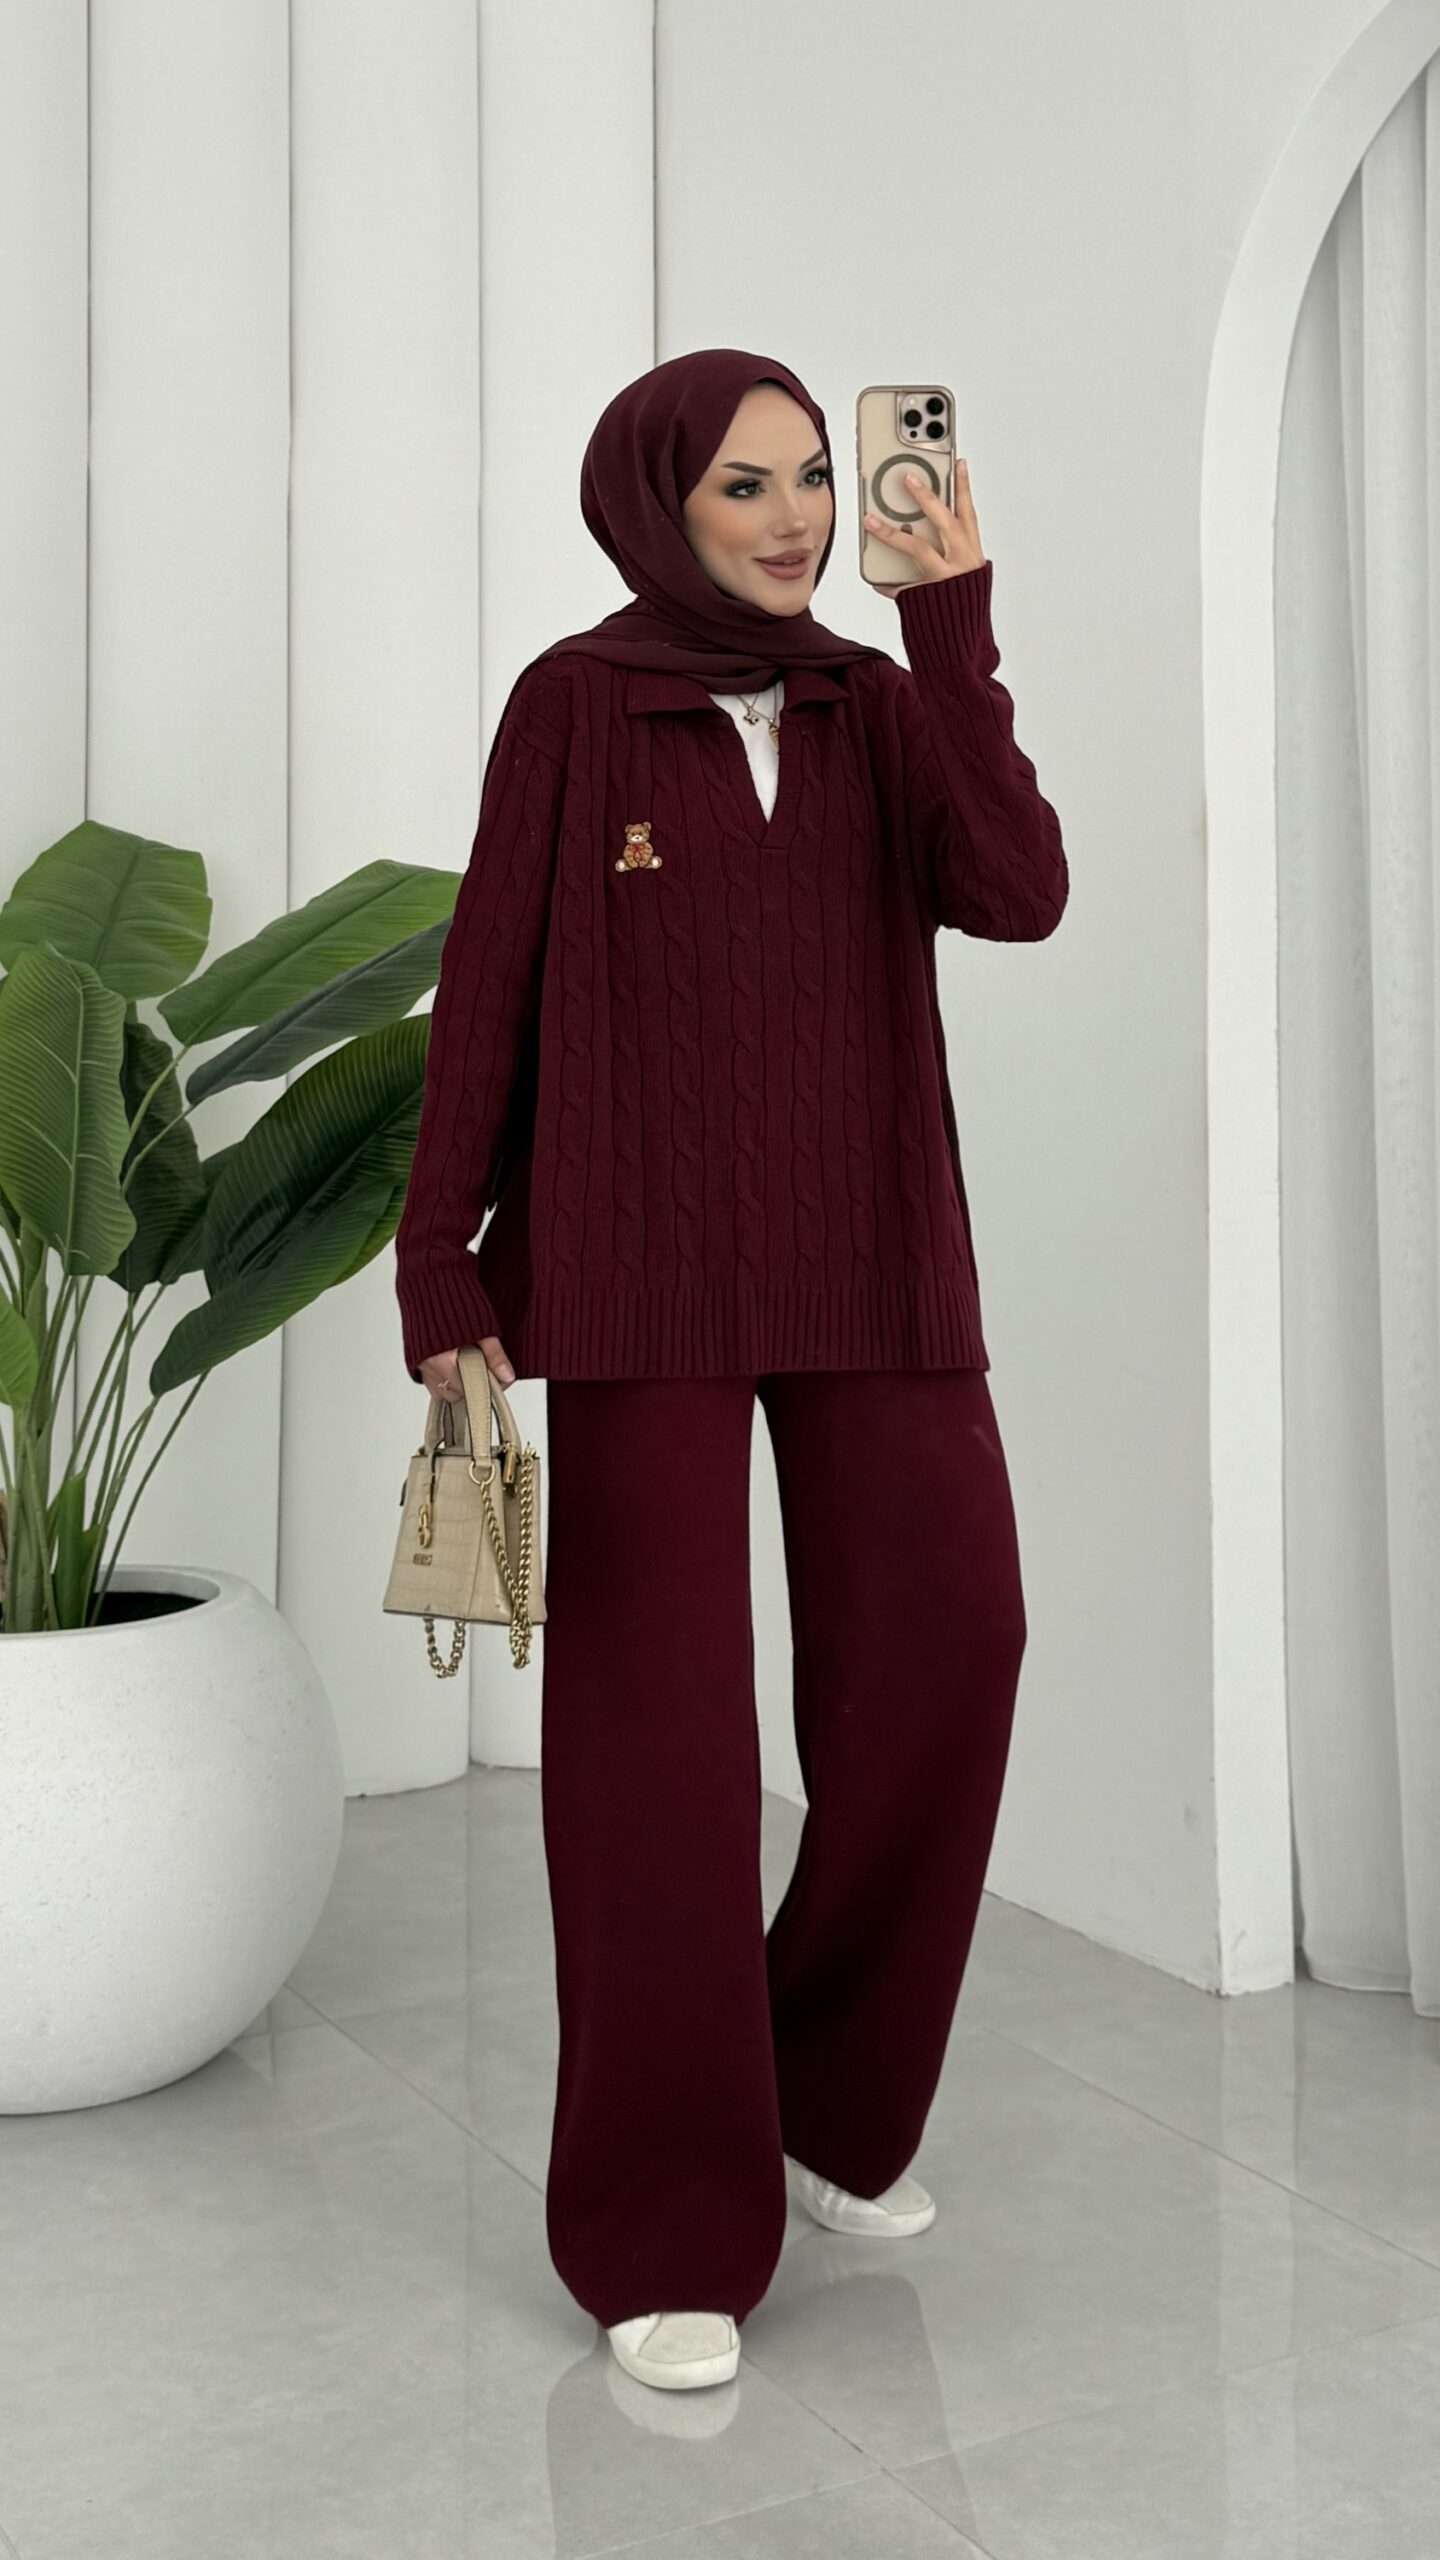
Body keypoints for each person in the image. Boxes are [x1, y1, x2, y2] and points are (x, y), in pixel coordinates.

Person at [394, 348, 1067, 2393]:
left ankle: (827, 2097)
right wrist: (440, 1264)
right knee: (659, 1754)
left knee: (952, 1653)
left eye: (811, 481)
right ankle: (663, 2219)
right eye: (746, 488)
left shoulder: (880, 704)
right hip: (637, 1281)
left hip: (876, 1261)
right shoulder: (575, 706)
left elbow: (1019, 891)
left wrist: (949, 624)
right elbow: (488, 988)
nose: (796, 520)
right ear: (658, 506)